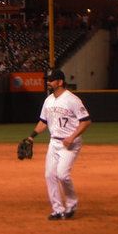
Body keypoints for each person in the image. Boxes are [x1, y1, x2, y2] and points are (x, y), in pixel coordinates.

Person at [27, 68, 92, 220]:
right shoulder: (48, 100)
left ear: (60, 82)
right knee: (50, 175)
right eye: (47, 80)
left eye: (51, 80)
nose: (48, 82)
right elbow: (43, 122)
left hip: (70, 144)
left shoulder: (72, 99)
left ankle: (71, 204)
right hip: (54, 142)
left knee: (62, 175)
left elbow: (86, 121)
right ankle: (57, 209)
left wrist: (72, 136)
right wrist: (31, 137)